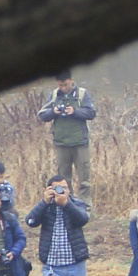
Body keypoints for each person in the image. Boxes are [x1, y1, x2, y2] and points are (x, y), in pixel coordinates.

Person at [37, 73, 95, 202]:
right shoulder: (54, 95)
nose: (63, 88)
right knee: (63, 179)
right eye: (60, 85)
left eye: (66, 84)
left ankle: (85, 206)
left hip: (80, 142)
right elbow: (42, 115)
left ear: (71, 81)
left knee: (84, 179)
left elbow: (91, 113)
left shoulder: (82, 94)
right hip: (61, 143)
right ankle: (67, 204)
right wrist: (54, 112)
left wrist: (75, 112)